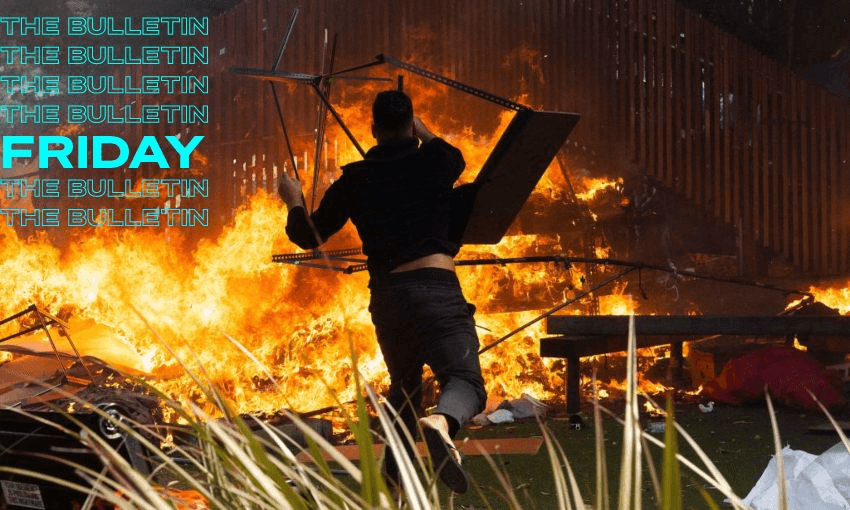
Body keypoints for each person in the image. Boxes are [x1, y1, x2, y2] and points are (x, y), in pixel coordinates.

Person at [278, 90, 486, 494]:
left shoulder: (356, 179)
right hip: (435, 288)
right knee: (465, 380)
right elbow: (451, 153)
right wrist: (419, 128)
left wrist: (294, 199)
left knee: (405, 389)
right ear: (411, 125)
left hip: (390, 299)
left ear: (373, 130)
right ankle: (442, 423)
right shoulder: (437, 161)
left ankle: (394, 481)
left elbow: (307, 236)